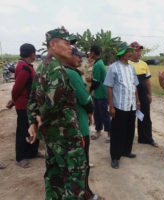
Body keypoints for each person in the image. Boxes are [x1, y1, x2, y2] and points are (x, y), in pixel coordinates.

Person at [26, 28, 103, 200]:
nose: (70, 48)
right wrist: (40, 119)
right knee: (74, 180)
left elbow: (32, 99)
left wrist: (33, 121)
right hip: (66, 137)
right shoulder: (58, 71)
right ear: (53, 44)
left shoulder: (41, 67)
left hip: (52, 138)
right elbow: (51, 105)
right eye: (67, 43)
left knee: (54, 178)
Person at [65, 47, 103, 200]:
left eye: (82, 56)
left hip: (70, 124)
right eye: (78, 56)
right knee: (82, 164)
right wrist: (90, 109)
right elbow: (84, 98)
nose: (81, 59)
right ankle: (86, 194)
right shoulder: (72, 73)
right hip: (79, 125)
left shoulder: (61, 70)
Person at [104, 42, 139, 169]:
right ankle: (115, 157)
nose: (130, 53)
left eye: (130, 51)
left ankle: (126, 151)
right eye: (128, 52)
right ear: (121, 54)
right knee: (118, 132)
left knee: (130, 129)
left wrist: (138, 101)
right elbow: (109, 87)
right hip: (119, 105)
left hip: (131, 105)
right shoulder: (113, 68)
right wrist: (111, 106)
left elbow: (134, 85)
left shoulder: (132, 68)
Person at [11, 43, 42, 168]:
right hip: (24, 105)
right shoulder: (24, 68)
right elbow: (17, 88)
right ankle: (20, 157)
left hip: (31, 105)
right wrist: (14, 100)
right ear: (32, 54)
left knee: (34, 128)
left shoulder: (26, 65)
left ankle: (32, 151)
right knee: (23, 130)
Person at [129, 41, 158, 147]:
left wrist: (149, 94)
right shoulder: (127, 64)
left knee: (145, 117)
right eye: (136, 50)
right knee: (130, 118)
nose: (139, 52)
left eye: (140, 50)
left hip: (143, 95)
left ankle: (146, 138)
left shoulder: (144, 64)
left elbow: (147, 81)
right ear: (131, 52)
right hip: (130, 96)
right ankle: (128, 141)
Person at [88, 45, 111, 141]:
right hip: (98, 93)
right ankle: (98, 130)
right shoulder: (98, 63)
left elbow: (96, 82)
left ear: (93, 53)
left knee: (104, 114)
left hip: (101, 93)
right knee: (97, 113)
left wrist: (89, 91)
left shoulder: (98, 65)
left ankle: (110, 133)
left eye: (90, 52)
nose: (89, 54)